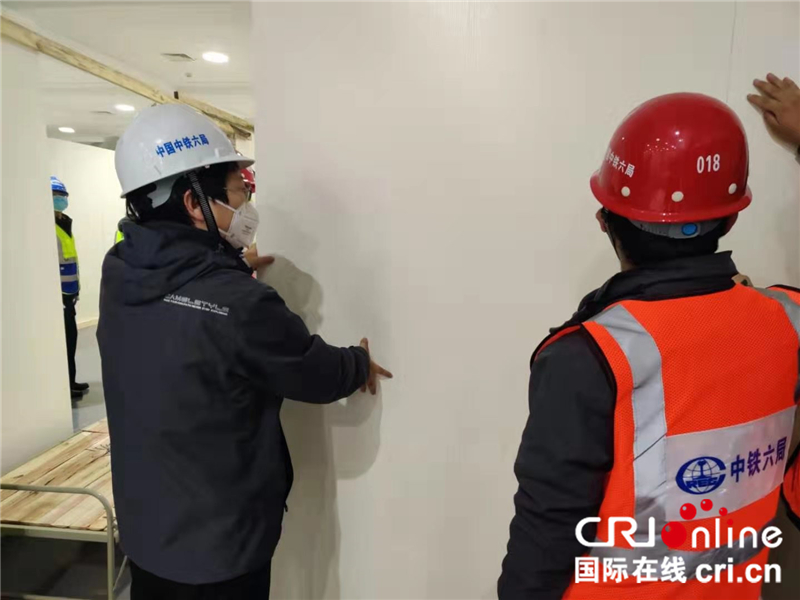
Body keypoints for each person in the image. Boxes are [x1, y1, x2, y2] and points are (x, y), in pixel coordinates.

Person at [498, 93, 800, 599]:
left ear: (606, 222)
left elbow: (545, 534)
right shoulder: (788, 320)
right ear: (730, 220)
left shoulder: (588, 357)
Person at [97, 104, 392, 599]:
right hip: (218, 552)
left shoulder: (121, 273)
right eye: (239, 191)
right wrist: (357, 362)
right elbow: (312, 371)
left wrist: (226, 264)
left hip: (147, 534)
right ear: (194, 203)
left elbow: (186, 316)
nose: (247, 204)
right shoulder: (238, 303)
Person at [53, 175, 89, 401]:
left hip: (69, 292)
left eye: (63, 195)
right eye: (56, 196)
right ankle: (64, 386)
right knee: (63, 342)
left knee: (71, 340)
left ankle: (71, 381)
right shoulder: (46, 225)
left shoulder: (64, 222)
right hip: (57, 295)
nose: (61, 199)